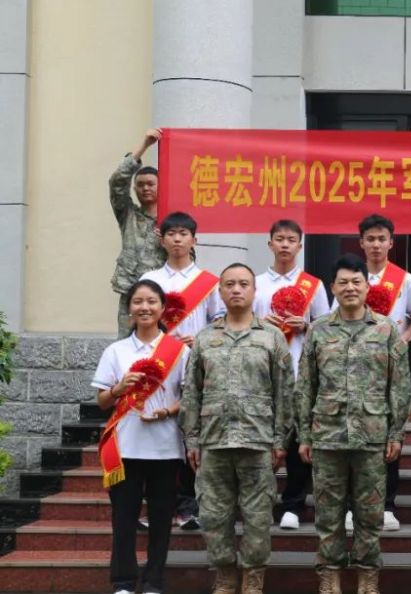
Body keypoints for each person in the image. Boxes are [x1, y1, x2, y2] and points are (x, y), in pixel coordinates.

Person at [297, 254, 411, 594]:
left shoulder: (386, 329)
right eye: (343, 282)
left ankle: (367, 577)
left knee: (370, 513)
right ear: (333, 288)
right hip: (327, 436)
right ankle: (330, 576)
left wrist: (396, 432)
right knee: (328, 513)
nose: (350, 287)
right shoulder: (318, 330)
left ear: (367, 286)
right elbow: (306, 385)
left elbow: (399, 385)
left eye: (356, 281)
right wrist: (304, 435)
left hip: (372, 437)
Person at [179, 263, 294, 594]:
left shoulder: (271, 337)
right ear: (220, 292)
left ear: (254, 291)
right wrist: (192, 440)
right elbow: (191, 392)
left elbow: (285, 391)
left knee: (258, 516)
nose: (236, 290)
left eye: (244, 284)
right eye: (229, 284)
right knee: (214, 516)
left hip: (258, 441)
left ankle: (253, 578)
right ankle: (226, 576)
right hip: (213, 442)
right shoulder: (205, 338)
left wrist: (280, 440)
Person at [92, 279, 188, 594]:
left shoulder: (180, 351)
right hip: (126, 448)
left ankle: (153, 582)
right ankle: (123, 581)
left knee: (161, 520)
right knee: (124, 519)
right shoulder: (116, 351)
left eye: (151, 301)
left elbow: (189, 397)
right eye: (138, 302)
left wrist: (167, 411)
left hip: (166, 448)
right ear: (129, 308)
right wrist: (119, 388)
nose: (144, 307)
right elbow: (101, 401)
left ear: (162, 308)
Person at [332, 214, 411, 532]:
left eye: (382, 239)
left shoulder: (405, 280)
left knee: (389, 433)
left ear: (391, 243)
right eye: (370, 239)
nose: (376, 244)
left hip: (389, 364)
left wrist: (402, 339)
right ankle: (350, 506)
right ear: (361, 242)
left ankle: (387, 505)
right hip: (353, 366)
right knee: (351, 436)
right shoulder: (351, 277)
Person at [140, 210, 224, 530]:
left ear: (194, 239)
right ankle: (158, 507)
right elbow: (139, 320)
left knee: (191, 434)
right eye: (171, 233)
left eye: (183, 234)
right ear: (162, 240)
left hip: (194, 364)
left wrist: (199, 339)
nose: (177, 239)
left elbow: (219, 323)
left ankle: (188, 506)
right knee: (157, 437)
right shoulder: (150, 280)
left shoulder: (209, 282)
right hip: (157, 366)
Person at [253, 220, 330, 531]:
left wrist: (306, 326)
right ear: (270, 244)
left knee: (299, 441)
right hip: (262, 375)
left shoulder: (313, 285)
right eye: (279, 239)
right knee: (263, 440)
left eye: (291, 240)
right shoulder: (254, 283)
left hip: (300, 373)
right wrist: (261, 324)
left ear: (300, 245)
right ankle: (260, 501)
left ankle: (294, 505)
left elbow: (327, 330)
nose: (285, 245)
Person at [109, 128, 167, 338]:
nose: (145, 188)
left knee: (161, 347)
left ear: (161, 187)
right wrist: (144, 145)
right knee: (127, 345)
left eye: (151, 184)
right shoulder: (128, 215)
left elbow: (188, 257)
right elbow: (117, 182)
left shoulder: (171, 223)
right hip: (131, 293)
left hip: (162, 296)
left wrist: (168, 243)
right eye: (140, 185)